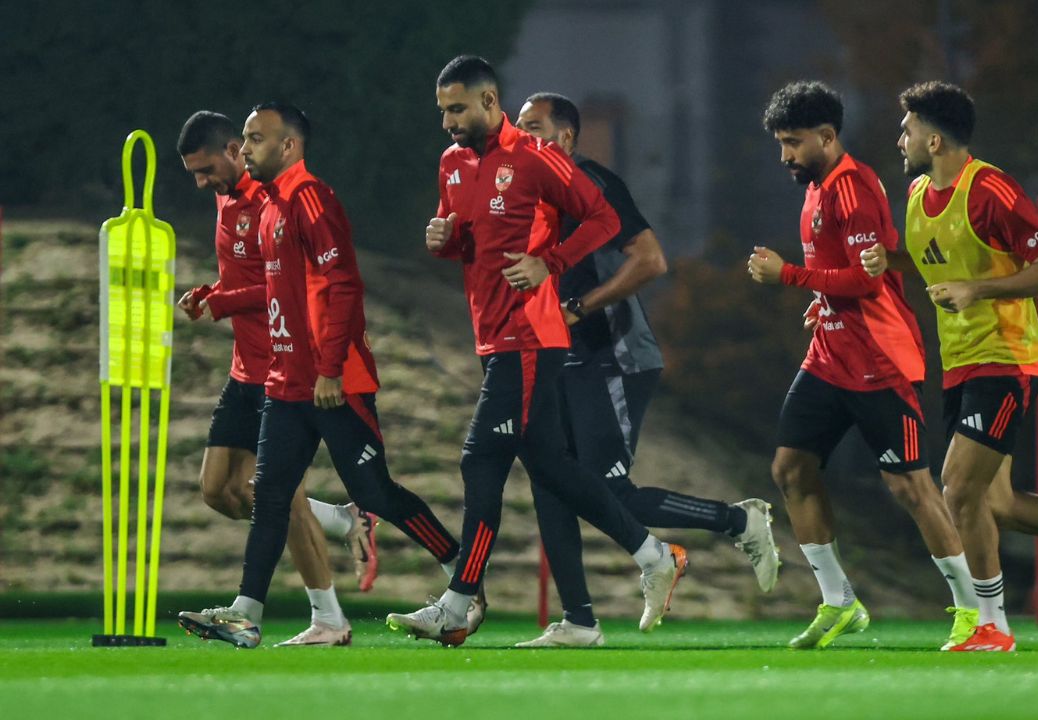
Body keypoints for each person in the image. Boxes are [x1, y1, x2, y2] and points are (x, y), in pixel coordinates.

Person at [385, 56, 686, 648]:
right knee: (548, 467)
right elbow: (471, 241)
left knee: (480, 460)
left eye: (458, 108)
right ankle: (646, 560)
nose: (448, 120)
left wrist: (550, 262)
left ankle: (460, 601)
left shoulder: (535, 157)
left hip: (530, 335)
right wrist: (444, 240)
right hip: (491, 333)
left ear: (491, 102)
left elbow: (600, 219)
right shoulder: (451, 163)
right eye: (443, 109)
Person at [861, 80, 1038, 651]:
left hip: (1007, 359)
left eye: (908, 128)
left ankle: (993, 625)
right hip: (961, 364)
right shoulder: (918, 194)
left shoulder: (990, 190)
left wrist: (978, 290)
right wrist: (887, 260)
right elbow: (932, 263)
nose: (901, 138)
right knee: (997, 504)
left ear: (935, 139)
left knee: (957, 492)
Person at [177, 103, 468, 648]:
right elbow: (278, 294)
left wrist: (331, 368)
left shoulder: (311, 198)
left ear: (287, 146)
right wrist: (221, 298)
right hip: (285, 379)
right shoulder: (268, 209)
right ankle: (246, 612)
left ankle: (462, 577)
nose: (247, 148)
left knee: (376, 493)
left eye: (256, 139)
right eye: (244, 138)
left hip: (332, 382)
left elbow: (344, 286)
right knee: (271, 498)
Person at [511, 93, 779, 648]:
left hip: (614, 355)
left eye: (533, 129)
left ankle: (739, 523)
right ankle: (579, 622)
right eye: (518, 129)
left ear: (565, 139)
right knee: (549, 483)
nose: (521, 139)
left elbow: (652, 259)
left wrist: (579, 307)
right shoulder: (529, 195)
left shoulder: (592, 181)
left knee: (610, 490)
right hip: (562, 357)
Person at [749, 81, 980, 650]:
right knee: (790, 468)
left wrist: (790, 277)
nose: (786, 156)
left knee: (911, 488)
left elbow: (866, 277)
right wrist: (817, 302)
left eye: (794, 143)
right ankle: (839, 601)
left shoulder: (854, 187)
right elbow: (840, 278)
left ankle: (974, 611)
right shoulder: (816, 186)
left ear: (828, 137)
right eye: (781, 143)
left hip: (882, 361)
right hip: (829, 357)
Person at [174, 110, 376, 645]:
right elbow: (244, 273)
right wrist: (211, 290)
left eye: (205, 169)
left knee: (277, 496)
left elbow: (284, 285)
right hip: (245, 364)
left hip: (284, 369)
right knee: (219, 490)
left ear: (234, 149)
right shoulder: (227, 199)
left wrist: (222, 301)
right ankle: (338, 520)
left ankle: (328, 619)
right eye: (192, 174)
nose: (201, 182)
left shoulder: (274, 197)